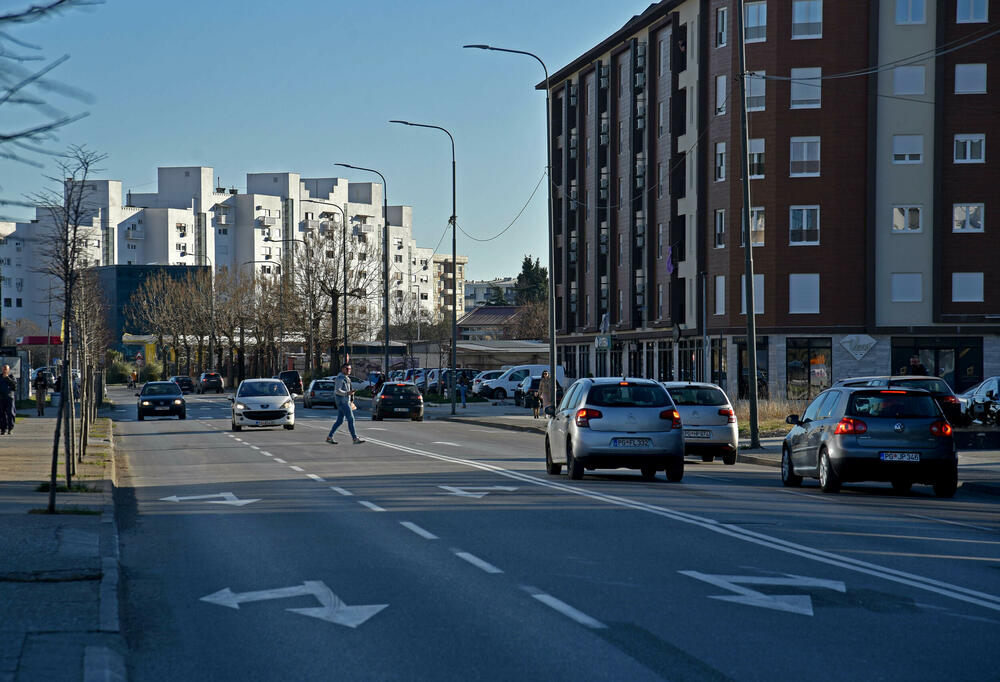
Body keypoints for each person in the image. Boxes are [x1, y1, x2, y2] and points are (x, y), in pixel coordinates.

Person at [327, 363, 364, 445]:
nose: (349, 370)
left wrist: (351, 397)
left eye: (350, 369)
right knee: (351, 419)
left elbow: (347, 390)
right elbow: (337, 390)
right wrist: (347, 393)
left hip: (345, 401)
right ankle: (354, 438)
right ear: (342, 369)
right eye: (347, 369)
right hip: (342, 402)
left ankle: (329, 437)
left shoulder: (346, 378)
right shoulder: (340, 378)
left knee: (340, 421)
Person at [0, 365, 16, 435]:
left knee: (10, 413)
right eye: (3, 369)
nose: (4, 370)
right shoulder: (0, 377)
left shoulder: (11, 377)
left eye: (6, 369)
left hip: (9, 397)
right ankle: (3, 429)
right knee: (1, 414)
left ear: (8, 370)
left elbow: (14, 385)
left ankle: (10, 428)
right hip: (1, 398)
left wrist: (7, 378)